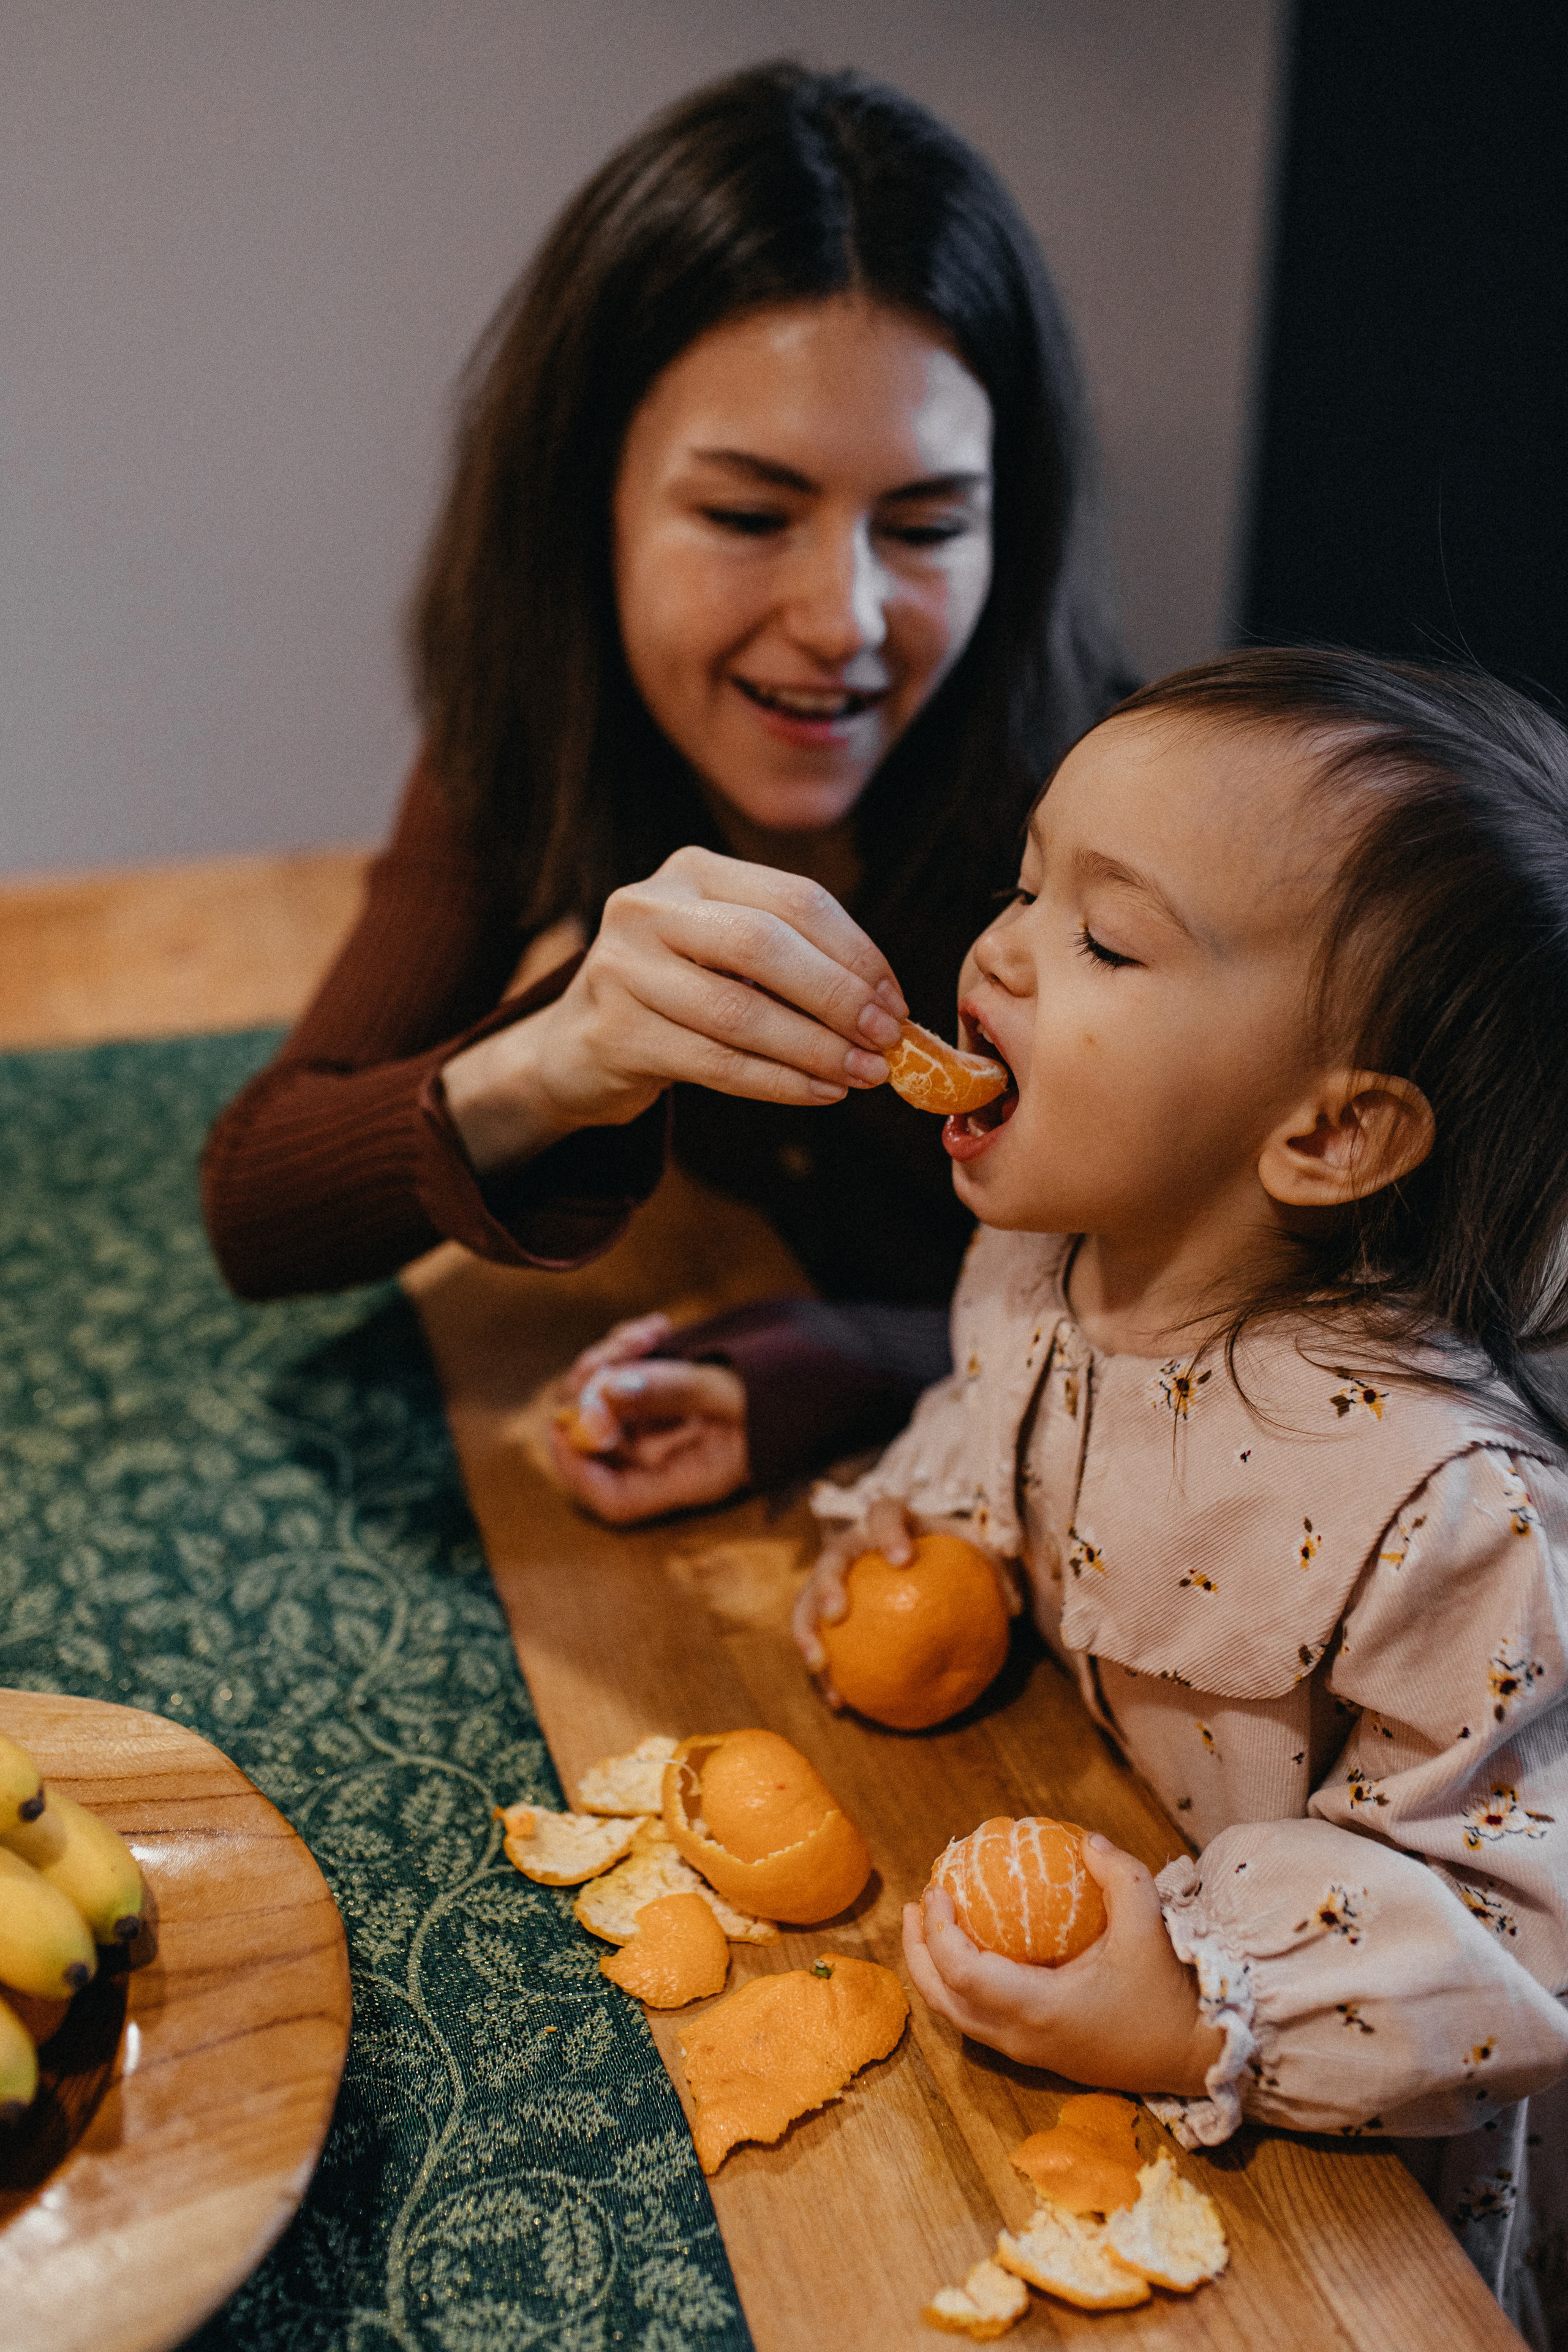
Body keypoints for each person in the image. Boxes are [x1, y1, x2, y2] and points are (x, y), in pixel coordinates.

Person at [200, 61, 1131, 1520]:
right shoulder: (541, 725)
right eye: (749, 514)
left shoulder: (1115, 830)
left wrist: (841, 1356)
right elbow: (259, 1205)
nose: (842, 620)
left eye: (926, 526)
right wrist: (562, 1052)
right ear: (589, 503)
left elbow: (1219, 1335)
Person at [795, 649, 1568, 2344]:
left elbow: (1518, 1934)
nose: (997, 951)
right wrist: (938, 1543)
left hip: (1362, 2175)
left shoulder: (1442, 1506)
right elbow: (999, 1421)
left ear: (1331, 1135)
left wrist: (1202, 2002)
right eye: (1026, 884)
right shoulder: (1052, 1257)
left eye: (1105, 939)